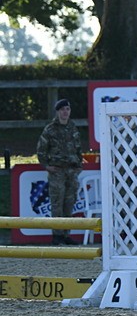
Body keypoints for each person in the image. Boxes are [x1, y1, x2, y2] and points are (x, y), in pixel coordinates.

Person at [36, 99, 84, 245]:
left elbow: (78, 148)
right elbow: (41, 150)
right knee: (57, 203)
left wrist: (79, 165)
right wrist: (46, 166)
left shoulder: (73, 128)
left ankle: (66, 235)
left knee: (69, 203)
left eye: (67, 109)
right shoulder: (50, 129)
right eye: (62, 109)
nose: (65, 112)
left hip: (71, 171)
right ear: (57, 111)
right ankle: (57, 236)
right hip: (57, 171)